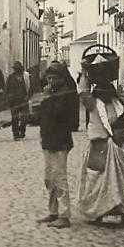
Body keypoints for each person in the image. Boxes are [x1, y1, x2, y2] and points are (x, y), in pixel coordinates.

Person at [77, 70, 124, 227]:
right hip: (100, 146)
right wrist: (85, 74)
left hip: (118, 148)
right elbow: (84, 93)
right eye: (101, 90)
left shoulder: (119, 104)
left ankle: (123, 216)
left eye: (108, 89)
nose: (105, 93)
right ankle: (98, 214)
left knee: (121, 182)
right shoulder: (93, 104)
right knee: (98, 181)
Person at [37, 63, 81, 229]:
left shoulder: (67, 95)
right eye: (48, 78)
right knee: (49, 178)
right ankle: (53, 212)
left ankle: (64, 215)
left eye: (54, 78)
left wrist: (47, 98)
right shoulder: (53, 93)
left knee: (60, 178)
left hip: (60, 141)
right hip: (48, 140)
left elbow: (58, 115)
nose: (50, 81)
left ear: (62, 79)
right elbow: (44, 115)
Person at [6, 62, 29, 141]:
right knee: (15, 118)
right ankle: (15, 134)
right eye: (16, 69)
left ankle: (22, 132)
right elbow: (7, 88)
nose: (17, 70)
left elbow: (29, 87)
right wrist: (8, 98)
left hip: (23, 100)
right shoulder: (10, 78)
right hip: (14, 101)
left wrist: (28, 96)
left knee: (24, 118)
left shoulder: (25, 76)